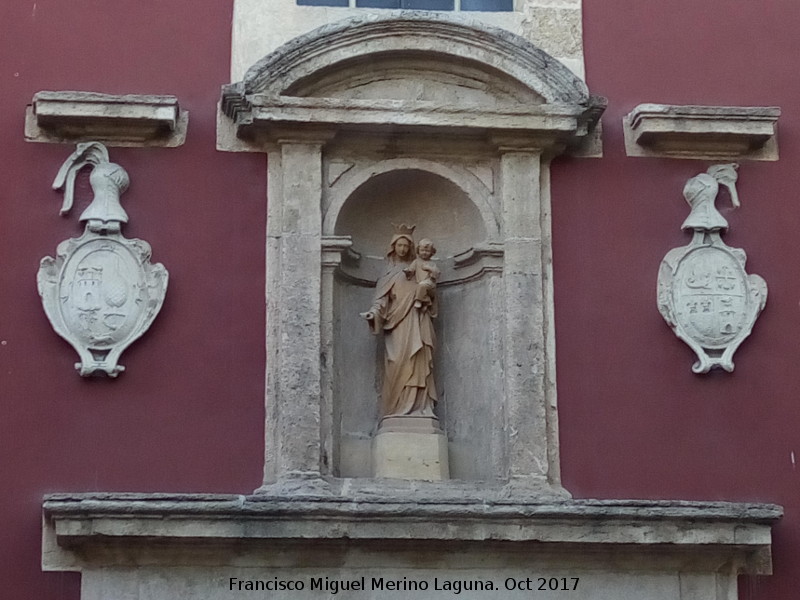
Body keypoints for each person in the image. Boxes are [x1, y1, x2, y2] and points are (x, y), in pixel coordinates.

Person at [361, 226, 438, 421]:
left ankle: (421, 408)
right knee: (397, 364)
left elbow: (432, 292)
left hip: (419, 320)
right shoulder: (389, 274)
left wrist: (428, 292)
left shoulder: (419, 269)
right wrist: (373, 314)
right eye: (399, 245)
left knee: (419, 361)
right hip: (397, 327)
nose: (403, 249)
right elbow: (381, 301)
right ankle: (395, 409)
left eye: (406, 246)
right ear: (393, 247)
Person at [403, 239, 440, 311]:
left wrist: (429, 268)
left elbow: (437, 274)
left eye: (427, 251)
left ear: (432, 252)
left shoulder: (432, 263)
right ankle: (426, 302)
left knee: (422, 285)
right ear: (418, 251)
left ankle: (419, 300)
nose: (424, 253)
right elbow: (411, 270)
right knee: (418, 286)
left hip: (430, 285)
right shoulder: (416, 262)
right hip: (420, 285)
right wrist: (407, 271)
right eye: (422, 250)